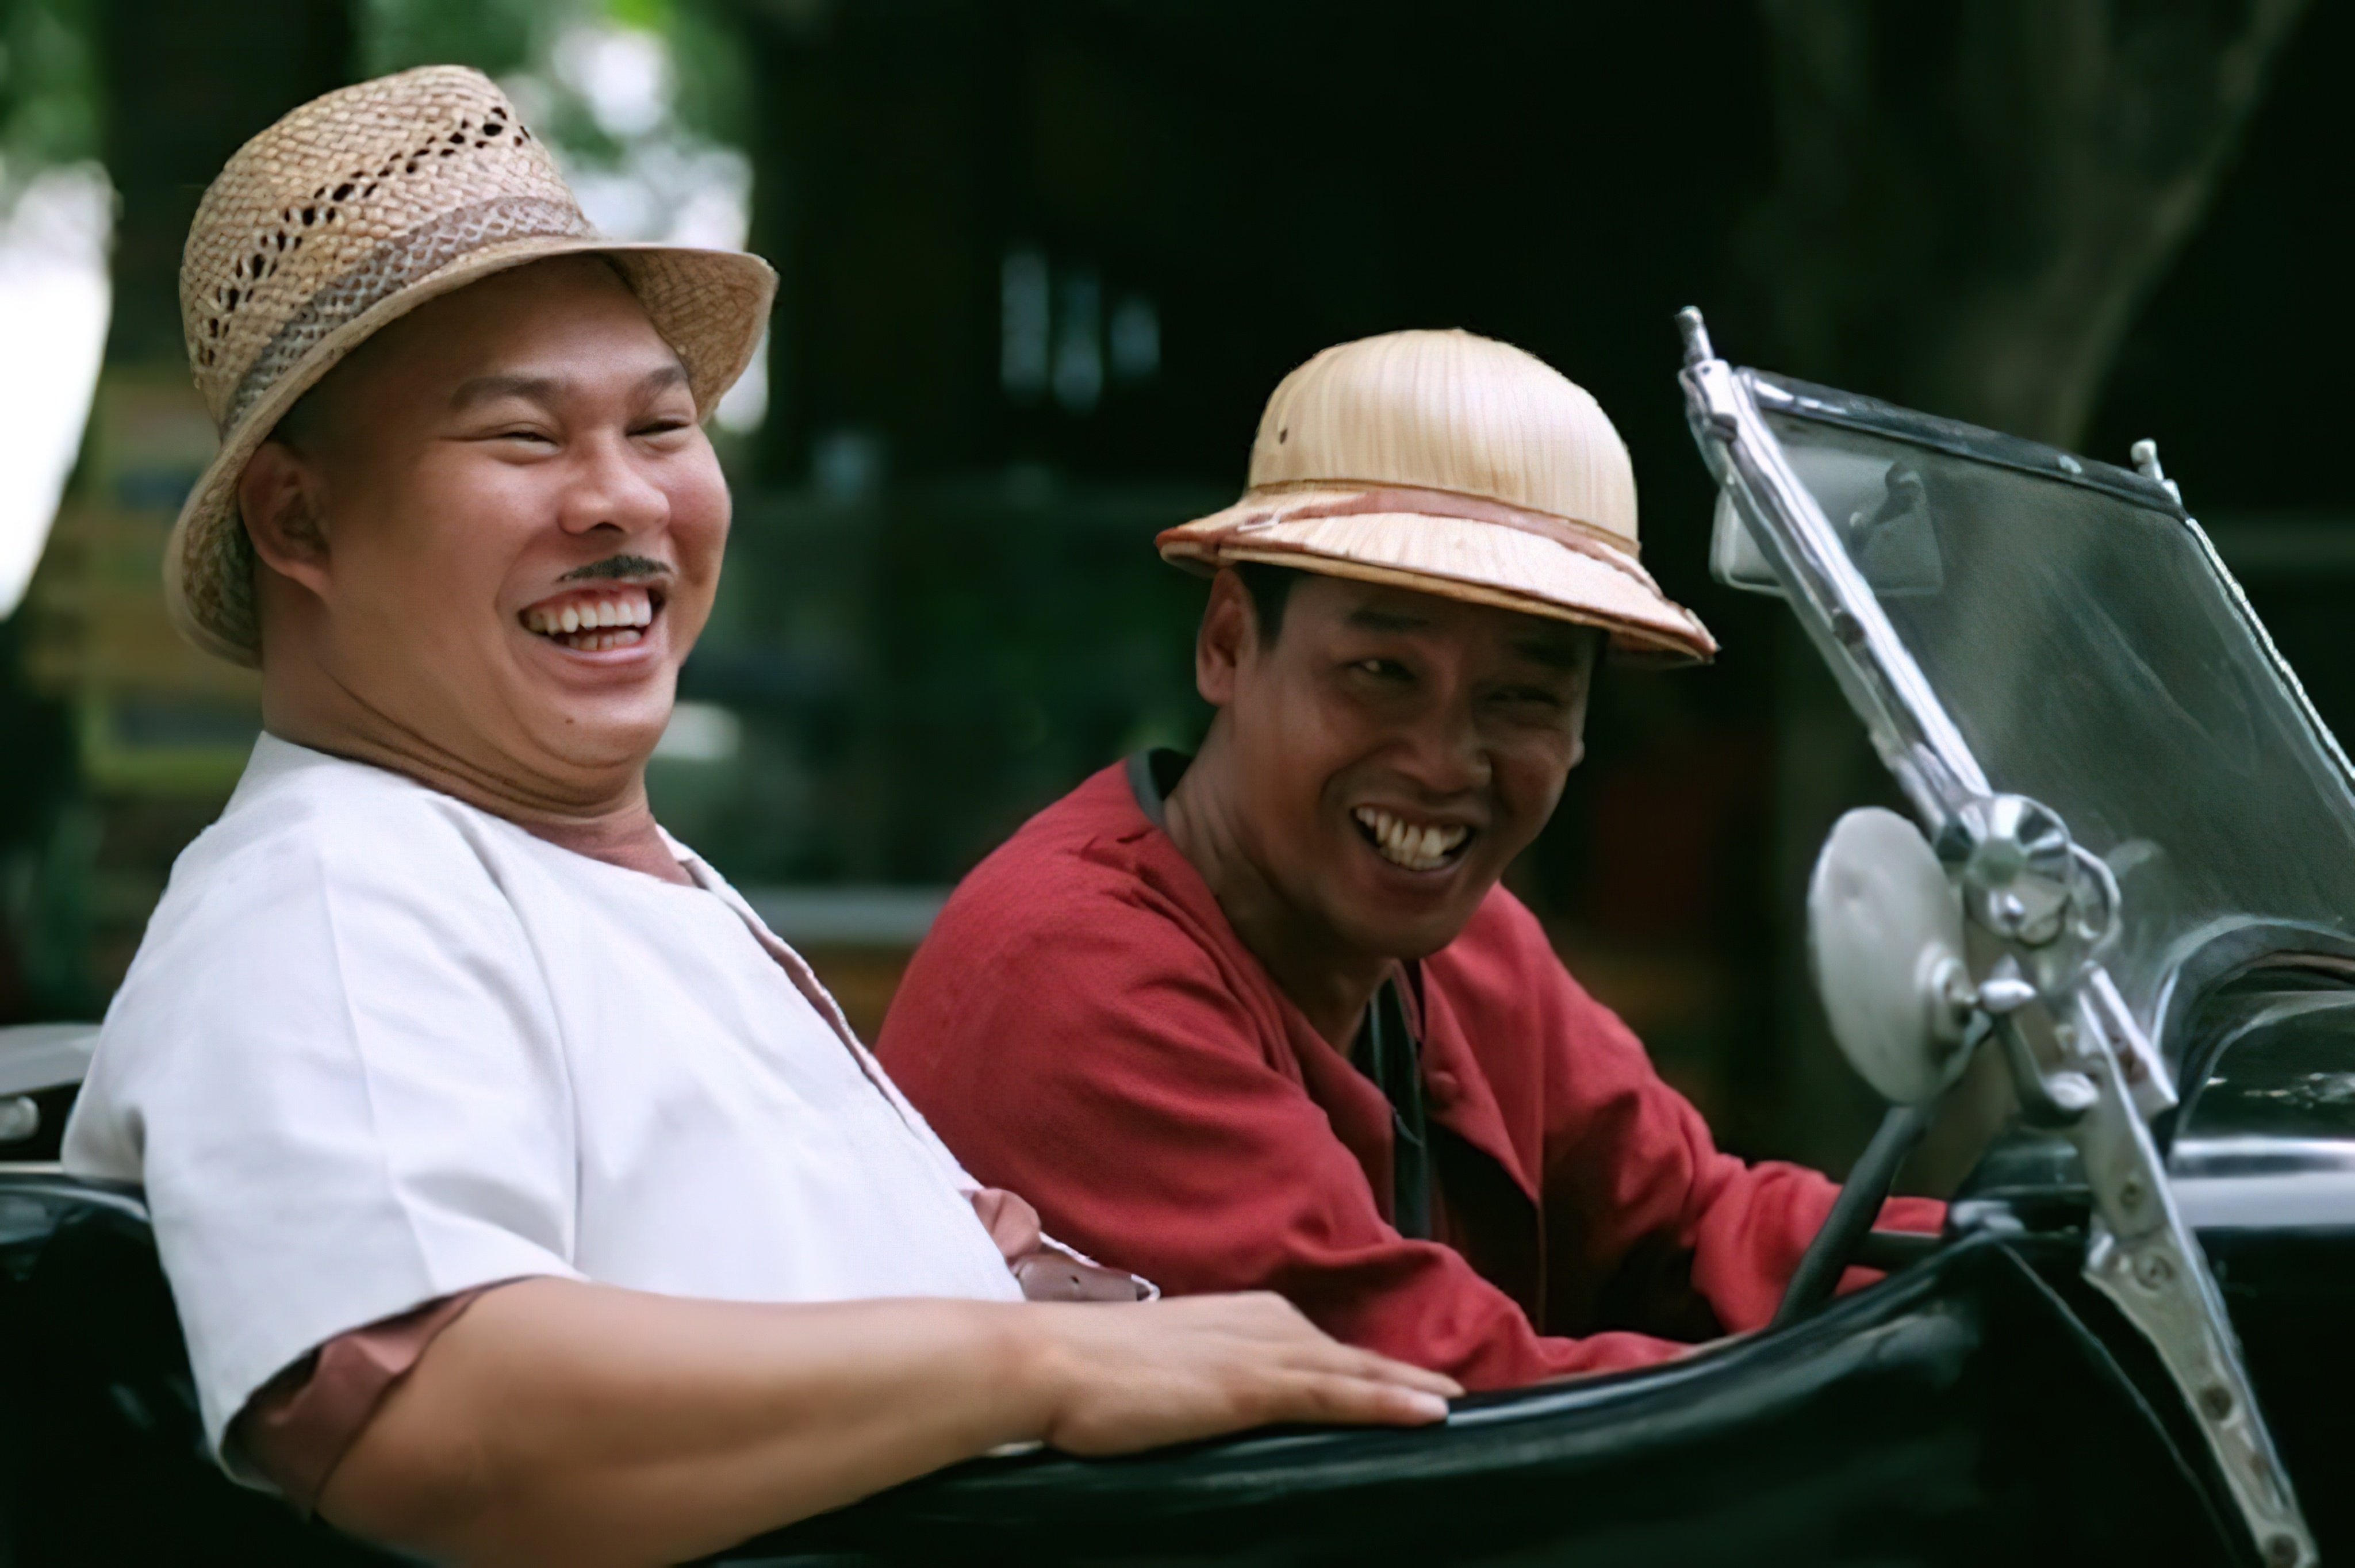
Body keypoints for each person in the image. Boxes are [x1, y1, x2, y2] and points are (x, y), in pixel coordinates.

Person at [59, 67, 1456, 1566]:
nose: (623, 503)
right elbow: (432, 1420)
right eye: (526, 440)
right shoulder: (332, 898)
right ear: (300, 521)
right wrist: (1043, 1367)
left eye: (662, 428)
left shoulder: (614, 883)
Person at [877, 329, 1942, 1391]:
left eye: (1521, 698)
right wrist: (1896, 1381)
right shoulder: (1076, 973)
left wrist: (2002, 1253)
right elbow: (1435, 1388)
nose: (1444, 764)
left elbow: (1697, 1215)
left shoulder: (1468, 945)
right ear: (1229, 645)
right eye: (1382, 670)